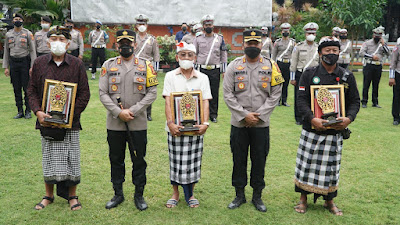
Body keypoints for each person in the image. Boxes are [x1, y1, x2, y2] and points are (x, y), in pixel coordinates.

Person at [293, 36, 360, 216]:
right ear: (320, 52)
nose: (331, 53)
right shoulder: (309, 74)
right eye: (327, 50)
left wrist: (349, 119)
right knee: (306, 164)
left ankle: (329, 201)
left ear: (339, 52)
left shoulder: (347, 76)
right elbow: (301, 101)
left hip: (335, 131)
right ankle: (303, 199)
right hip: (312, 129)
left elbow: (355, 101)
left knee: (331, 167)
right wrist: (311, 118)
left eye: (334, 50)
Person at [27, 26, 90, 211]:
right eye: (53, 39)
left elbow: (85, 93)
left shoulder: (77, 65)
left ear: (69, 43)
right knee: (49, 159)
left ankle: (72, 196)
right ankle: (49, 195)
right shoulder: (38, 63)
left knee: (72, 159)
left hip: (70, 123)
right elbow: (31, 90)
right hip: (45, 120)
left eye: (62, 40)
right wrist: (38, 111)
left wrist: (69, 115)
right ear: (47, 43)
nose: (57, 42)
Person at [223, 29, 284, 212]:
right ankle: (239, 195)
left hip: (261, 124)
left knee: (259, 160)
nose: (252, 47)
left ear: (260, 44)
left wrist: (258, 116)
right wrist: (244, 115)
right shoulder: (233, 66)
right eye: (249, 43)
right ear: (244, 45)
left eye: (255, 43)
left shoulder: (271, 66)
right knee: (238, 159)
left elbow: (276, 94)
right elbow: (227, 94)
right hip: (239, 124)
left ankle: (257, 196)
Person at [99, 29, 158, 210]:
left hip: (137, 123)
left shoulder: (146, 66)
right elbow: (103, 93)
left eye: (129, 42)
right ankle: (118, 194)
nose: (125, 46)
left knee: (139, 160)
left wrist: (133, 110)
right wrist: (118, 112)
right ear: (117, 45)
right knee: (116, 159)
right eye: (122, 43)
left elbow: (152, 92)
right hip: (115, 123)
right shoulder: (108, 65)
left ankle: (139, 195)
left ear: (135, 44)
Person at [163, 41, 211, 208]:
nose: (186, 58)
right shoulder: (170, 76)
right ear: (177, 57)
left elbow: (205, 102)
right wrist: (170, 123)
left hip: (196, 128)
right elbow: (168, 102)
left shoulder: (203, 78)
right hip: (176, 128)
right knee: (175, 161)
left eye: (189, 55)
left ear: (195, 58)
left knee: (193, 160)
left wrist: (205, 123)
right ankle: (175, 193)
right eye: (183, 55)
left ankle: (191, 195)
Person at [194, 14, 228, 123]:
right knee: (200, 92)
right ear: (203, 26)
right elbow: (195, 54)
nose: (208, 26)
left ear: (213, 25)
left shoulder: (219, 39)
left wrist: (224, 70)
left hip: (214, 69)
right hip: (201, 69)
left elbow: (223, 54)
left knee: (214, 93)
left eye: (210, 24)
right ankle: (200, 114)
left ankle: (213, 115)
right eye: (206, 24)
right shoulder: (198, 39)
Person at [3, 13, 37, 119]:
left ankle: (28, 111)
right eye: (15, 19)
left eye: (19, 19)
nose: (17, 20)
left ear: (22, 21)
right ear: (13, 21)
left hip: (24, 63)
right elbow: (6, 52)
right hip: (13, 63)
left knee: (26, 88)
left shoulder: (27, 33)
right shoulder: (8, 34)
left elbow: (32, 51)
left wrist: (32, 66)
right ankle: (20, 111)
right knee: (16, 88)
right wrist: (6, 67)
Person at [290, 22, 319, 125]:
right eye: (308, 33)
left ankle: (311, 116)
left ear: (315, 34)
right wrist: (292, 78)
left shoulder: (318, 47)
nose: (311, 35)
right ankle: (299, 118)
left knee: (313, 95)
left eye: (313, 33)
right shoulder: (298, 46)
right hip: (300, 74)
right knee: (299, 96)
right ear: (305, 34)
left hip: (314, 75)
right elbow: (293, 62)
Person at [134, 14, 160, 121]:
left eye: (143, 23)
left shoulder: (152, 39)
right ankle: (136, 111)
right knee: (135, 90)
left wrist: (156, 69)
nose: (141, 25)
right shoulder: (132, 38)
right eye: (139, 23)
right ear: (136, 25)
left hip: (148, 68)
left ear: (147, 25)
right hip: (135, 66)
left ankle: (148, 113)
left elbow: (156, 55)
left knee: (148, 91)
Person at [359, 26, 390, 108]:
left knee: (376, 85)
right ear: (373, 35)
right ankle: (364, 101)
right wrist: (371, 57)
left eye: (379, 36)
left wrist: (383, 45)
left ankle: (375, 102)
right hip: (369, 65)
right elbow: (361, 53)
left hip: (378, 66)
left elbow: (388, 53)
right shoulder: (367, 43)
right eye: (376, 35)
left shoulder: (382, 44)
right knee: (366, 84)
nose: (377, 37)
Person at [272, 23, 295, 107]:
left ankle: (284, 101)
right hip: (279, 63)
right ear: (281, 32)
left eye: (287, 31)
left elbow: (294, 54)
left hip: (288, 63)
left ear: (289, 32)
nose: (285, 32)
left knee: (286, 83)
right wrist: (273, 65)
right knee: (278, 82)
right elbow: (274, 54)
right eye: (284, 31)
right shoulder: (277, 42)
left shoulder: (292, 42)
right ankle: (277, 100)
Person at [389, 38, 400, 125]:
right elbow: (393, 63)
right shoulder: (397, 47)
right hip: (398, 73)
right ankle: (396, 117)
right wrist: (391, 77)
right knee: (397, 96)